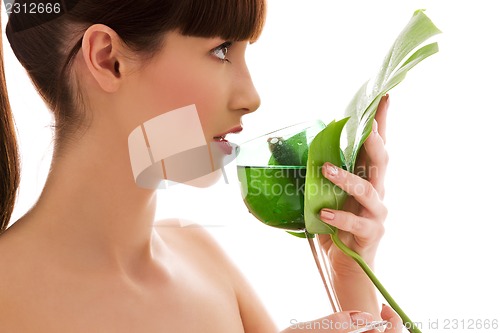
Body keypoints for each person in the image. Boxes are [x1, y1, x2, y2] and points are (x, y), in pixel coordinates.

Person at [0, 0, 402, 332]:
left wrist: (351, 273)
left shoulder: (204, 261)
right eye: (222, 50)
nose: (251, 97)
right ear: (108, 60)